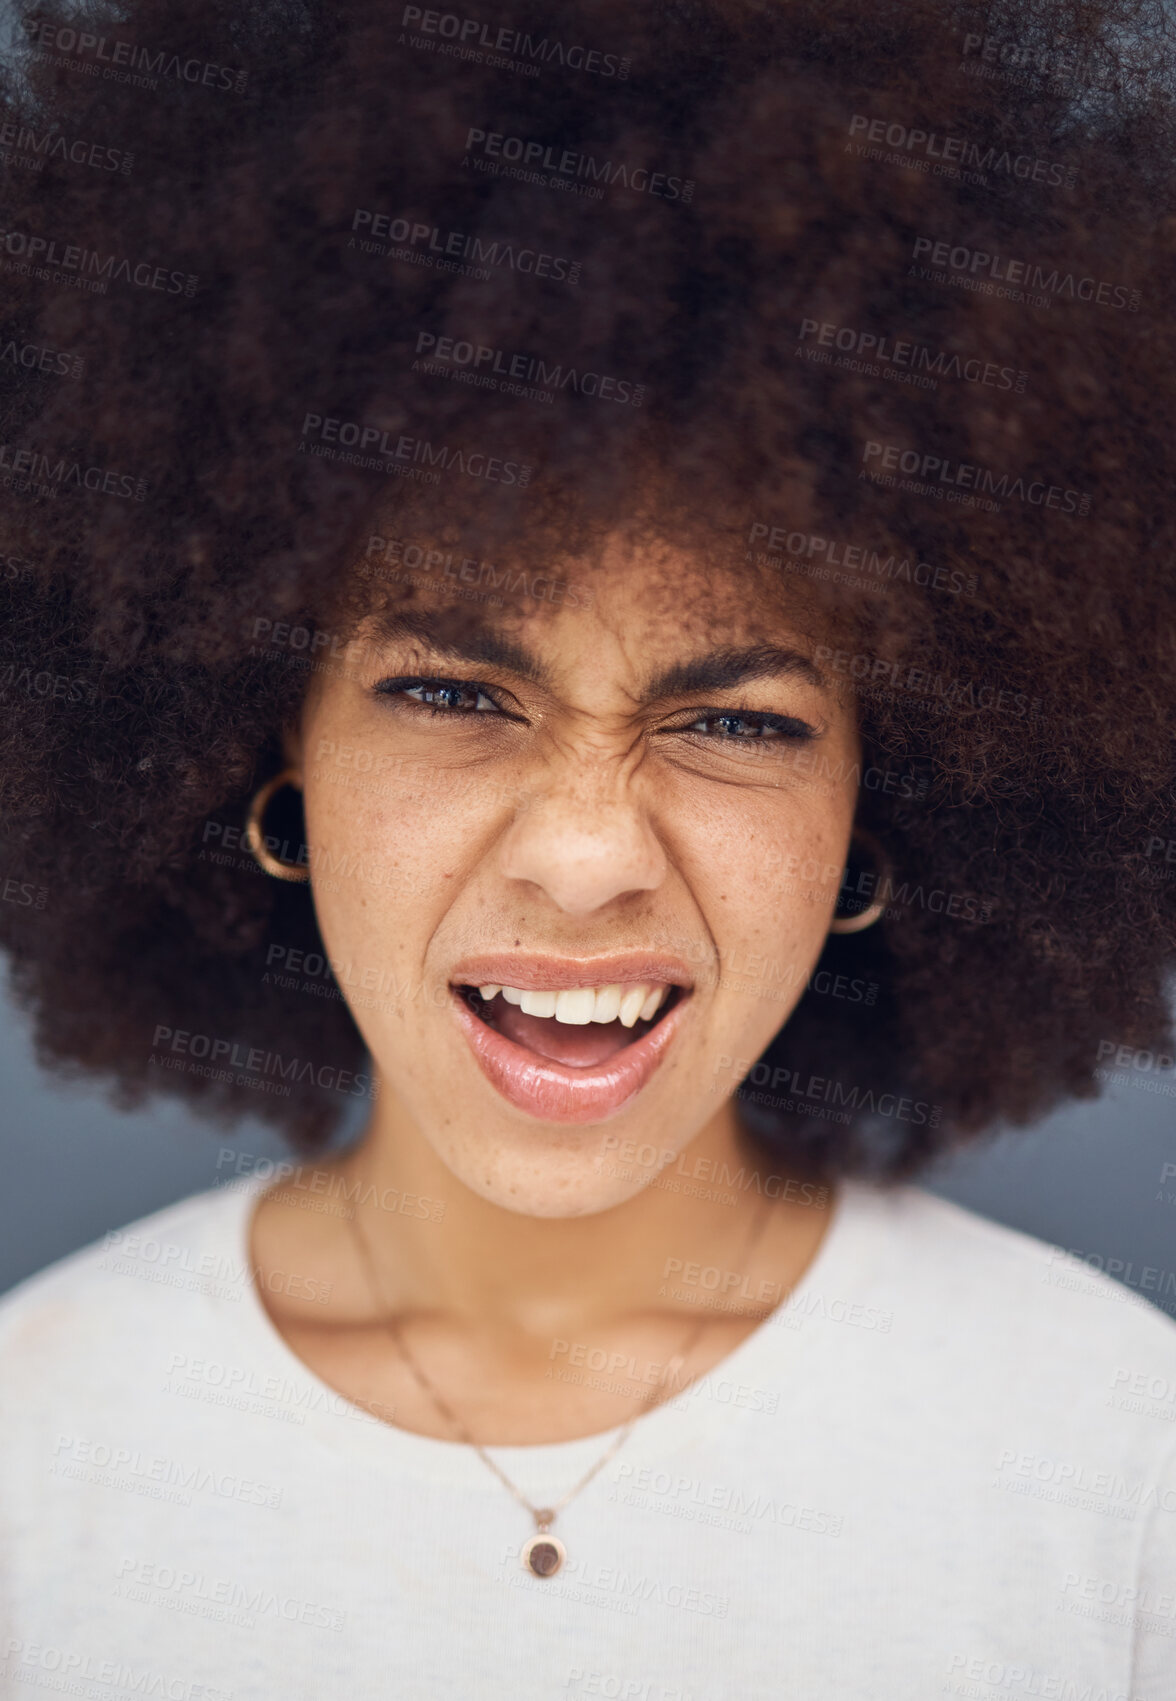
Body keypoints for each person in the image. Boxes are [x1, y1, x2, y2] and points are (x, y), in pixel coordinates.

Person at [1, 0, 1174, 1694]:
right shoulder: (41, 1472)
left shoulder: (1112, 1475)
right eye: (458, 692)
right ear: (271, 745)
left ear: (885, 799)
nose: (582, 854)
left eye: (740, 722)